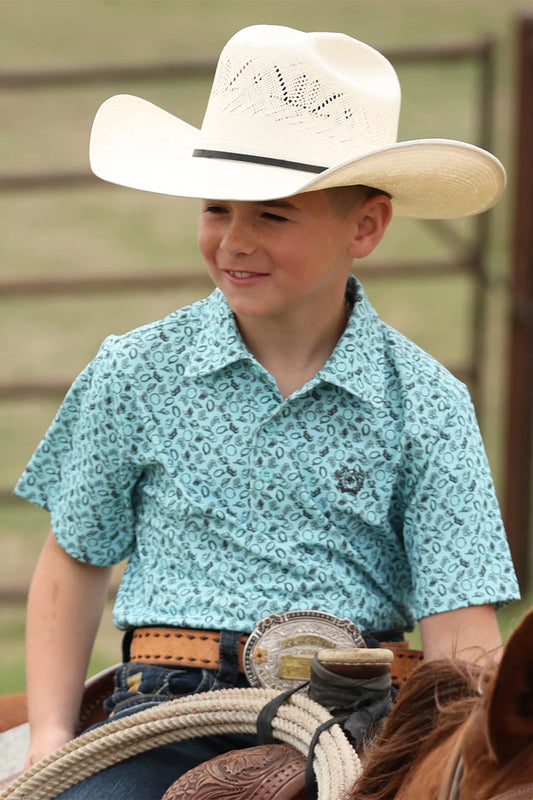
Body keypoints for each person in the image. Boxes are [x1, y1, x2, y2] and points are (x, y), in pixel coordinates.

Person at [15, 24, 519, 798]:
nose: (234, 241)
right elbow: (75, 558)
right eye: (217, 209)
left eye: (272, 216)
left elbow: (459, 632)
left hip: (359, 715)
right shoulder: (136, 370)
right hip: (167, 708)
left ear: (365, 226)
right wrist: (52, 734)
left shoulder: (426, 403)